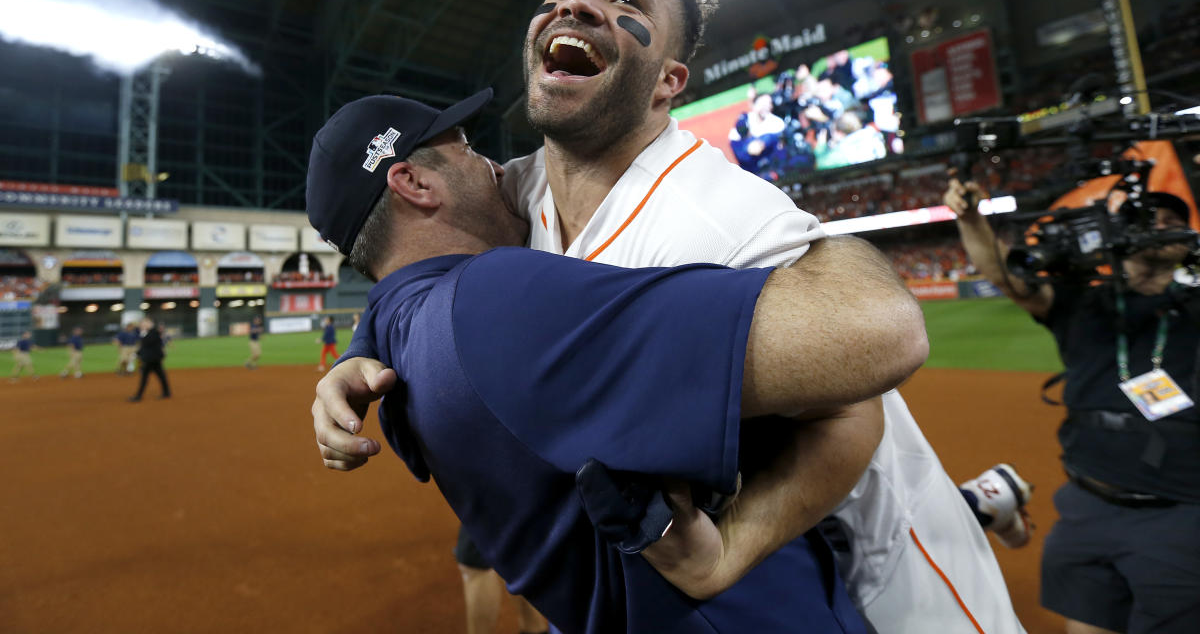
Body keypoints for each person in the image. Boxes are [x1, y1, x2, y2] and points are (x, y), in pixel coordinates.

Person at [316, 0, 1027, 633]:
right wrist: (356, 355)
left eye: (626, 1)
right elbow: (421, 252)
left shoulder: (712, 218)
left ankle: (981, 505)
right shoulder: (517, 188)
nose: (579, 6)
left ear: (667, 82)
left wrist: (730, 552)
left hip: (886, 571)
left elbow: (857, 407)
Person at [306, 90, 928, 632]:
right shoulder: (496, 300)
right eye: (466, 147)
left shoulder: (393, 333)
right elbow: (881, 333)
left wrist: (355, 351)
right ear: (414, 183)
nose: (494, 165)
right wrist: (803, 237)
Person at [945, 179, 1200, 633]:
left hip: (1180, 515)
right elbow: (1004, 274)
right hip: (1086, 507)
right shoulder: (1083, 301)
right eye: (1149, 218)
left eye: (1173, 222)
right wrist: (970, 219)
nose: (1160, 227)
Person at [128, 317, 170, 402]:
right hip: (153, 359)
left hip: (151, 359)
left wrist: (143, 333)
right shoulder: (148, 333)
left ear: (150, 323)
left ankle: (138, 396)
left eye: (144, 323)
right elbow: (144, 346)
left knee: (144, 377)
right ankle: (166, 393)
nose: (142, 325)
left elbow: (147, 343)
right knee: (161, 376)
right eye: (142, 323)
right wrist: (136, 354)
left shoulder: (154, 332)